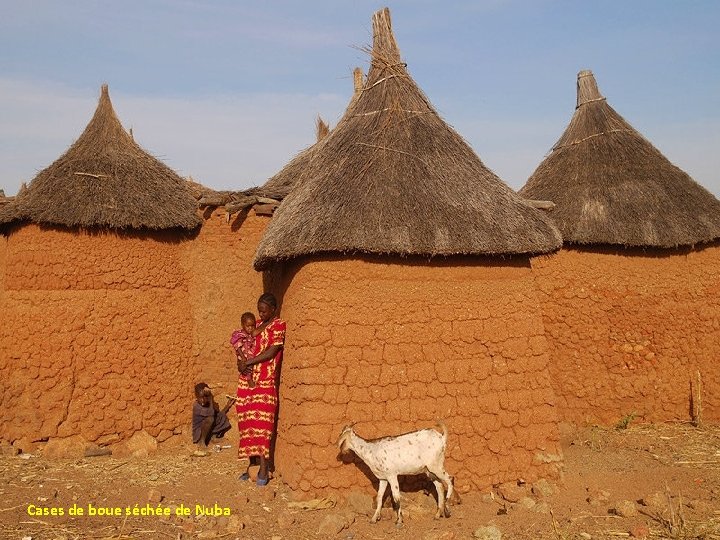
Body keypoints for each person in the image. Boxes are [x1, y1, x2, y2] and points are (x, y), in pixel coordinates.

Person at [235, 292, 286, 486]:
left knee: (263, 425)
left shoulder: (278, 325)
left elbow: (273, 351)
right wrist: (240, 362)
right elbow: (239, 342)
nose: (261, 314)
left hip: (265, 380)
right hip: (247, 381)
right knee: (247, 421)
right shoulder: (253, 324)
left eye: (264, 311)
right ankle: (252, 466)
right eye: (259, 311)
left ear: (273, 309)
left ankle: (264, 468)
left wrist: (249, 361)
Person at [192, 382, 233, 456]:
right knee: (210, 419)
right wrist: (210, 399)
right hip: (199, 433)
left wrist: (227, 406)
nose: (202, 400)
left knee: (221, 416)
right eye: (200, 397)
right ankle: (201, 442)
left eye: (205, 397)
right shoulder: (197, 407)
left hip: (208, 431)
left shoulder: (208, 404)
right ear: (196, 396)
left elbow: (217, 414)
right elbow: (211, 414)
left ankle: (213, 437)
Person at [230, 312, 261, 388]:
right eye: (248, 326)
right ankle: (249, 381)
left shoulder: (251, 334)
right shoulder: (240, 335)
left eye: (252, 326)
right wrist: (243, 357)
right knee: (247, 367)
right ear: (243, 325)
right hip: (243, 355)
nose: (250, 328)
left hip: (249, 353)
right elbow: (237, 346)